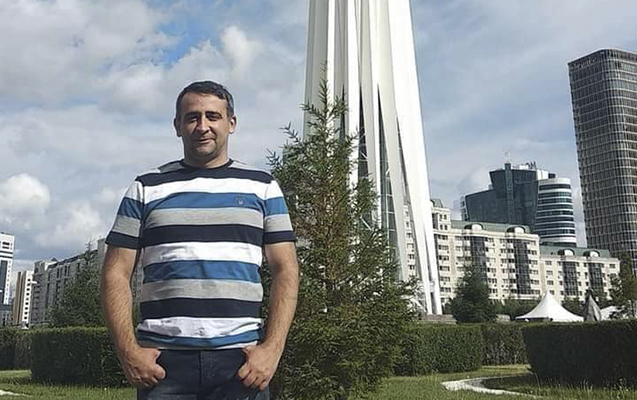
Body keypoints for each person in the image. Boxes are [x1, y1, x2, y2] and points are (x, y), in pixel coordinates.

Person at [100, 81, 299, 400]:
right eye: (192, 117)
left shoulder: (262, 188)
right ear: (177, 125)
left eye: (212, 116)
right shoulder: (146, 188)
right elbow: (115, 273)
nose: (202, 126)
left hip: (242, 364)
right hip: (163, 365)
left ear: (231, 123)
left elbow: (286, 270)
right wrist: (128, 351)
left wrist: (272, 350)